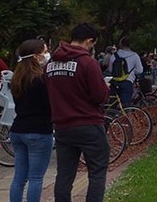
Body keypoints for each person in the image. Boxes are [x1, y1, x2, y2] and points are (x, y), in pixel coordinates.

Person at [46, 23, 111, 202]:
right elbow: (100, 96)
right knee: (97, 172)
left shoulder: (51, 63)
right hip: (89, 124)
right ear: (89, 41)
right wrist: (105, 88)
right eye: (93, 44)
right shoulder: (88, 63)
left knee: (64, 175)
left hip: (62, 126)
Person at [9, 39, 54, 202]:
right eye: (44, 51)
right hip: (39, 131)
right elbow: (48, 106)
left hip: (18, 130)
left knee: (19, 178)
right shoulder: (41, 80)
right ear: (35, 56)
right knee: (36, 178)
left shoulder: (16, 78)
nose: (47, 54)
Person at [110, 37, 143, 107]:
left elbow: (110, 69)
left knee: (114, 104)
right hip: (128, 81)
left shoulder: (114, 56)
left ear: (120, 45)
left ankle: (113, 116)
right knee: (126, 105)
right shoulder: (135, 55)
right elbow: (140, 70)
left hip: (115, 82)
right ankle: (125, 116)